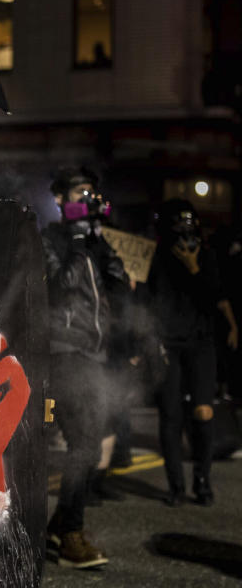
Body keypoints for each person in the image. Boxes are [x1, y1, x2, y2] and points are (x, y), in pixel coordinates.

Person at [41, 167, 127, 569]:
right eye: (79, 192)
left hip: (93, 354)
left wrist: (102, 248)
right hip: (65, 351)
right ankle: (69, 535)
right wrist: (76, 241)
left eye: (92, 192)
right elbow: (58, 287)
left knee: (90, 448)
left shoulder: (94, 243)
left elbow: (122, 289)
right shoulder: (50, 238)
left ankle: (61, 525)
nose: (87, 199)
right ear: (60, 198)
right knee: (85, 446)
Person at [146, 199, 238, 507]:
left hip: (200, 343)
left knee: (203, 411)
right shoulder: (156, 257)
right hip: (167, 344)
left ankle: (202, 479)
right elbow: (148, 303)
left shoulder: (207, 256)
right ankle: (176, 486)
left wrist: (194, 268)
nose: (185, 233)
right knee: (171, 414)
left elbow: (215, 298)